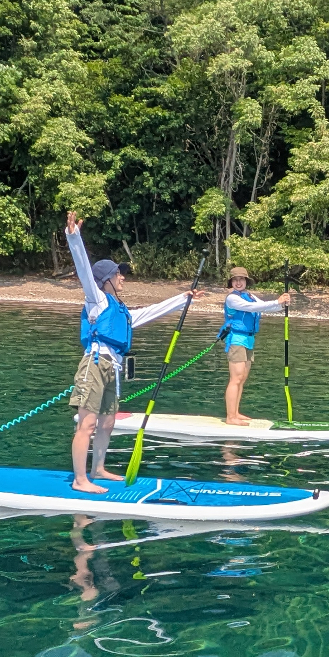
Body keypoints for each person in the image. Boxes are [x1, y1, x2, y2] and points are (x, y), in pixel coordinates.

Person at [66, 210, 204, 493]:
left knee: (106, 424)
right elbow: (83, 270)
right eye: (118, 274)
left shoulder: (123, 312)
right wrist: (74, 238)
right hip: (94, 364)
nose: (122, 277)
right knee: (88, 423)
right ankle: (81, 480)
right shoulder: (97, 300)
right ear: (106, 279)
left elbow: (151, 313)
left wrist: (182, 299)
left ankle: (99, 469)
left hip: (112, 369)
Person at [222, 266, 290, 425]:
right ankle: (230, 417)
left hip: (249, 340)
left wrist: (282, 304)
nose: (238, 282)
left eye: (241, 279)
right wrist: (276, 301)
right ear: (231, 282)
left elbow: (267, 307)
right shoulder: (232, 298)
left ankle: (236, 413)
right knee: (236, 378)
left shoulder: (250, 295)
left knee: (242, 378)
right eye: (235, 280)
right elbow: (251, 308)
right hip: (237, 339)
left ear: (246, 281)